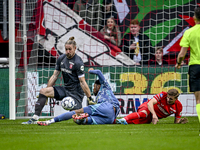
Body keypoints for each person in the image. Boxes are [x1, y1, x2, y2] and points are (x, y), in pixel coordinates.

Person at [22, 37, 95, 124]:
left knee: (78, 120)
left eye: (70, 49)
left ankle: (94, 118)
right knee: (43, 91)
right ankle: (34, 119)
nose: (68, 51)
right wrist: (47, 92)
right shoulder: (61, 59)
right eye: (66, 49)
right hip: (65, 90)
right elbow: (54, 76)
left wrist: (89, 97)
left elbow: (82, 82)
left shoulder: (78, 62)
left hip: (76, 93)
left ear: (75, 48)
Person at [37, 68, 120, 125]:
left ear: (98, 86)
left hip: (108, 107)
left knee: (76, 111)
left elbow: (98, 72)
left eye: (94, 87)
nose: (93, 89)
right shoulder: (101, 98)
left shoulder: (105, 86)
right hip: (110, 118)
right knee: (82, 121)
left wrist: (91, 71)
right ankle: (81, 119)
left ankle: (50, 121)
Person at [175, 7, 200, 133]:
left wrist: (179, 63)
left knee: (199, 99)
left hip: (196, 66)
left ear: (194, 18)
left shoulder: (189, 32)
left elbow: (181, 54)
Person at [116, 89, 188, 125]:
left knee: (133, 122)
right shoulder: (163, 95)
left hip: (150, 118)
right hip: (147, 108)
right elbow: (150, 103)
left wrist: (180, 122)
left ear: (176, 99)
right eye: (168, 98)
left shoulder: (178, 106)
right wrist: (154, 114)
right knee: (143, 113)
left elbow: (176, 122)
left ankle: (114, 121)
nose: (168, 100)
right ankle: (123, 119)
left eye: (171, 99)